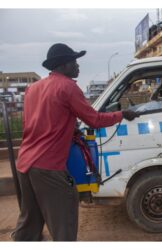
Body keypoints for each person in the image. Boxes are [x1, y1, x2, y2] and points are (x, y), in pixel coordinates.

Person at [12, 43, 139, 241]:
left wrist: (69, 129)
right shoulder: (68, 87)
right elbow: (94, 120)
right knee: (65, 216)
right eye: (74, 62)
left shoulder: (33, 89)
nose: (78, 66)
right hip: (48, 166)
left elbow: (35, 123)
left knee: (30, 222)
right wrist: (122, 114)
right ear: (63, 65)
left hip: (24, 164)